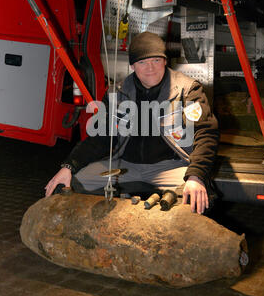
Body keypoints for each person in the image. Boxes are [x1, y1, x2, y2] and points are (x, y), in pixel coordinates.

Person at [45, 31, 219, 214]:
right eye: (142, 62)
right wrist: (69, 166)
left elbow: (206, 133)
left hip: (171, 166)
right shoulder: (117, 93)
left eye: (156, 60)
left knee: (198, 197)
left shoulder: (188, 89)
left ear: (165, 61)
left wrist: (196, 175)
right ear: (132, 65)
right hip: (126, 166)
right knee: (71, 184)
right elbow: (99, 137)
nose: (150, 68)